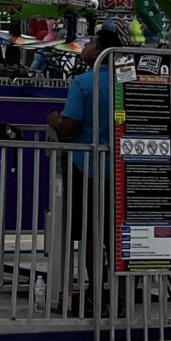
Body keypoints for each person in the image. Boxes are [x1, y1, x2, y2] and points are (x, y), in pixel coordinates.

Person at [46, 25, 122, 300]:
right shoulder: (124, 82)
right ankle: (121, 294)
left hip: (86, 166)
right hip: (120, 169)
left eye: (90, 42)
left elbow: (70, 126)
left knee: (90, 232)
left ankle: (95, 289)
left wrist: (56, 121)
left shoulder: (83, 82)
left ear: (99, 50)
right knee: (116, 232)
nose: (85, 46)